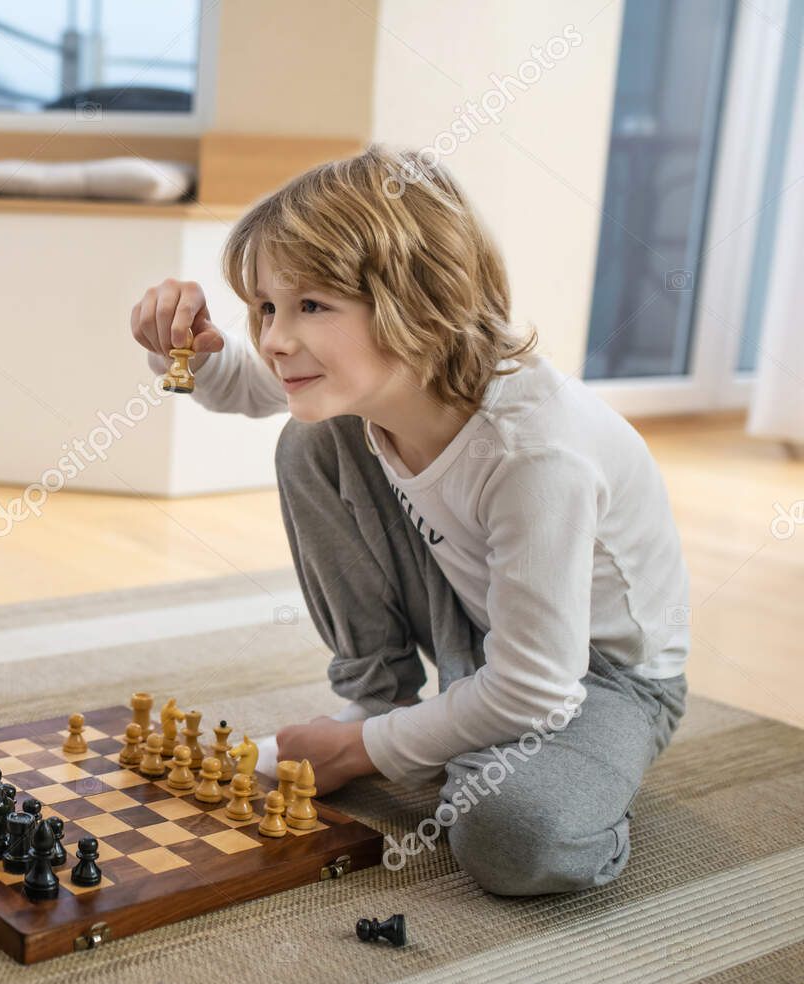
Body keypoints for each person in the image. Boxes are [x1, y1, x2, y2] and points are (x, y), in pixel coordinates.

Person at [129, 146, 689, 896]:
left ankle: (554, 777)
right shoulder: (381, 374)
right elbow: (257, 385)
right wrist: (192, 353)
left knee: (511, 834)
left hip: (602, 677)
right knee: (313, 431)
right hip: (481, 620)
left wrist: (361, 753)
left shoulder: (536, 451)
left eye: (310, 305)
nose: (273, 337)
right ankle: (380, 696)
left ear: (416, 302)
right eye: (267, 307)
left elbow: (538, 687)